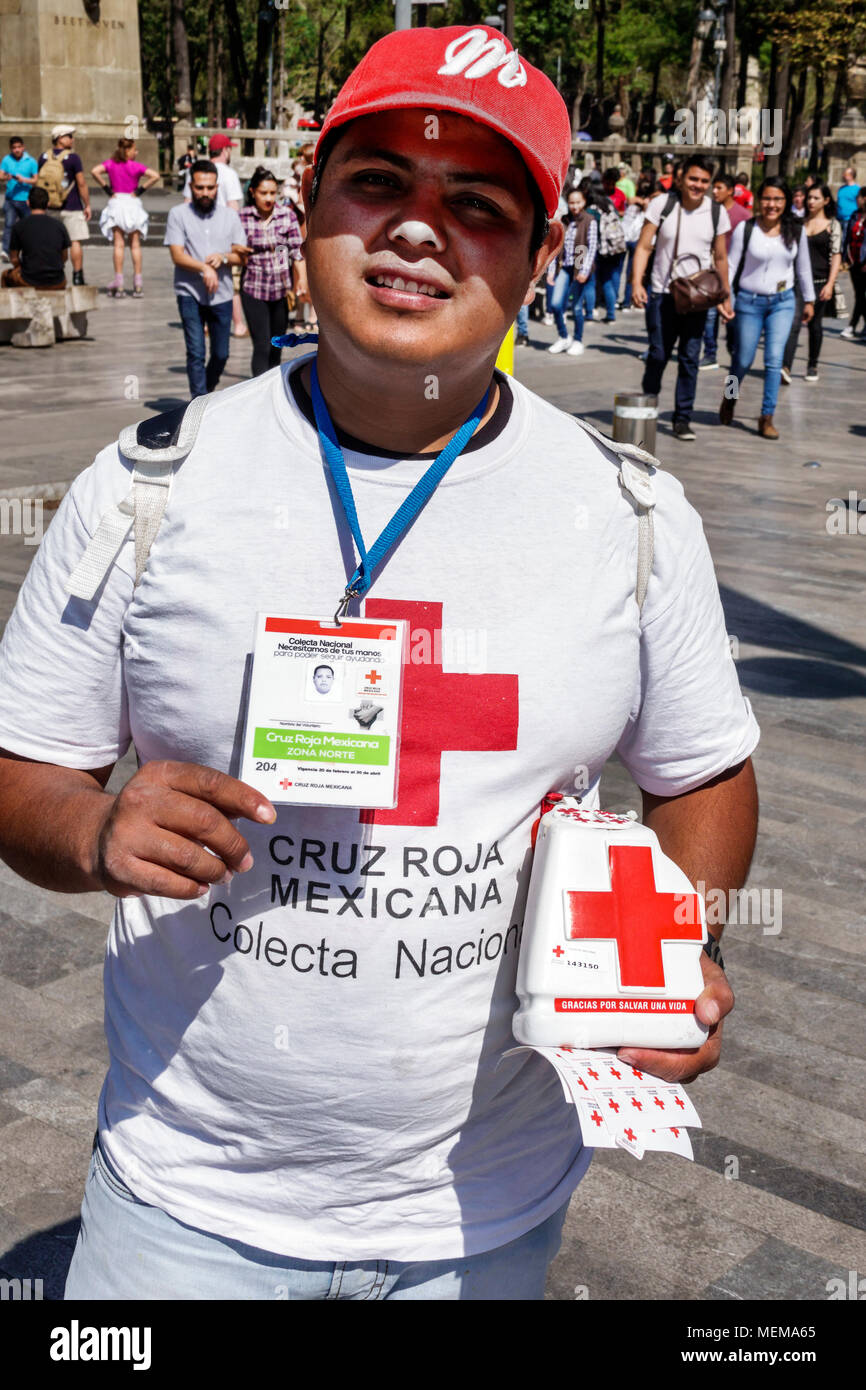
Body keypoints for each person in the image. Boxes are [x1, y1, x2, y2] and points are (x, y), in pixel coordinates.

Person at [0, 24, 757, 1303]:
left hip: (485, 1207)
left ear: (541, 256)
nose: (418, 228)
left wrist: (670, 940)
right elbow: (27, 772)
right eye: (377, 185)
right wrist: (93, 828)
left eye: (474, 203)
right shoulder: (146, 486)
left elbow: (702, 776)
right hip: (185, 1198)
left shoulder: (629, 513)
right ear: (306, 214)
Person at [631, 154, 733, 442]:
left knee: (690, 358)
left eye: (703, 181)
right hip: (663, 294)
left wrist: (726, 295)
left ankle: (682, 418)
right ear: (680, 178)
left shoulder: (716, 212)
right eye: (693, 179)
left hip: (697, 299)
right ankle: (648, 405)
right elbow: (643, 246)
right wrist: (636, 282)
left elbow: (721, 257)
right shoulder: (662, 204)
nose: (698, 185)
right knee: (658, 354)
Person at [721, 177, 814, 438]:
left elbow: (803, 267)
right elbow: (730, 266)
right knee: (742, 359)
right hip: (749, 302)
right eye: (767, 199)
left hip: (783, 303)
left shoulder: (796, 230)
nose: (772, 204)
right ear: (759, 200)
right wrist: (726, 298)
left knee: (774, 361)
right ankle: (729, 398)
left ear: (786, 202)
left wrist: (809, 300)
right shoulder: (746, 228)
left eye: (778, 199)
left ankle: (767, 416)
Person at [164, 160, 248, 398]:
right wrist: (203, 267)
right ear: (190, 186)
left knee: (221, 353)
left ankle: (206, 392)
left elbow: (241, 256)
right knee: (196, 352)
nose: (205, 193)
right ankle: (197, 403)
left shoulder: (230, 216)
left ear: (217, 187)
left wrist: (222, 258)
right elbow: (177, 255)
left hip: (221, 293)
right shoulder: (177, 214)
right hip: (189, 291)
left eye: (210, 188)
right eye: (200, 187)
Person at [239, 166, 306, 376]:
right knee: (262, 346)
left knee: (277, 346)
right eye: (263, 193)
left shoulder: (287, 216)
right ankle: (258, 390)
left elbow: (296, 251)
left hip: (280, 290)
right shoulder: (243, 217)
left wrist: (301, 279)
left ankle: (273, 390)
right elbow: (232, 247)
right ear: (253, 192)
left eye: (272, 193)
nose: (269, 198)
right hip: (253, 287)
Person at [183, 134, 247, 338]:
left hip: (198, 234)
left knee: (200, 279)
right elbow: (234, 207)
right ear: (225, 150)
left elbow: (186, 204)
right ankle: (237, 324)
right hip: (223, 238)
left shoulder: (195, 172)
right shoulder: (229, 174)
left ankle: (205, 324)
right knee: (231, 284)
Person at [781, 183, 842, 384]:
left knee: (815, 324)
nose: (811, 201)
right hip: (796, 281)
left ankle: (812, 363)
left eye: (816, 198)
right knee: (793, 324)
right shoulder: (799, 223)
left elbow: (836, 256)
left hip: (820, 281)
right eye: (809, 198)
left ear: (826, 200)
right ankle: (786, 366)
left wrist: (830, 283)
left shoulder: (832, 225)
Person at [91, 138, 160, 298]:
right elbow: (155, 176)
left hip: (117, 201)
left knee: (119, 244)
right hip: (132, 201)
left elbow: (94, 171)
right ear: (128, 151)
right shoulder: (136, 166)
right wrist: (139, 190)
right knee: (135, 245)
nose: (136, 153)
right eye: (134, 150)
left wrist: (107, 190)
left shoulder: (111, 164)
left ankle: (119, 282)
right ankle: (137, 282)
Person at [700, 171, 751, 370]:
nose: (715, 191)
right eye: (714, 187)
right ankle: (710, 353)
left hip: (734, 274)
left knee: (730, 316)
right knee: (709, 315)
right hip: (711, 271)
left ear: (731, 191)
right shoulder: (709, 211)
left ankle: (733, 347)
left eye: (719, 188)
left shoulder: (743, 216)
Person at [36, 125, 91, 285]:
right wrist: (87, 204)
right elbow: (81, 183)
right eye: (69, 136)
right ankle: (77, 276)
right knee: (75, 240)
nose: (72, 139)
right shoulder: (74, 158)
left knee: (55, 243)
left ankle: (56, 273)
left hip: (51, 206)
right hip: (71, 205)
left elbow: (39, 183)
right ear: (60, 138)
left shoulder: (44, 157)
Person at [547, 186, 597, 355]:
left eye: (578, 202)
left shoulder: (590, 220)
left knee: (576, 307)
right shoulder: (565, 220)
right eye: (571, 202)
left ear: (583, 202)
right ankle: (563, 336)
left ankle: (578, 340)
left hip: (580, 270)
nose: (574, 206)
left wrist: (585, 271)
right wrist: (552, 270)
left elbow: (591, 248)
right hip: (565, 267)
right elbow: (557, 246)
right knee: (555, 304)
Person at [0, 184, 68, 289]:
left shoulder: (19, 226)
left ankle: (14, 304)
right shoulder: (59, 225)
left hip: (29, 279)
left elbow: (14, 258)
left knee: (5, 275)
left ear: (28, 203)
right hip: (57, 281)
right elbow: (64, 257)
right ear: (48, 204)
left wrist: (22, 267)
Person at [619, 173, 655, 311]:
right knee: (632, 272)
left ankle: (626, 300)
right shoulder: (650, 206)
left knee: (625, 270)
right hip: (638, 239)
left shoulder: (631, 201)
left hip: (626, 237)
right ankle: (629, 301)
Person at [1, 136, 38, 261]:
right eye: (14, 148)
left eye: (19, 147)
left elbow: (36, 180)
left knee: (27, 227)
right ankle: (6, 251)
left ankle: (27, 251)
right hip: (10, 199)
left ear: (23, 147)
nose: (16, 150)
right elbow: (1, 176)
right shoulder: (7, 159)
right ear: (11, 149)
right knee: (9, 225)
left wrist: (24, 179)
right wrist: (7, 177)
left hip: (26, 199)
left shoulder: (31, 161)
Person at [840, 188, 866, 339]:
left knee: (861, 296)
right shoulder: (855, 215)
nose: (857, 199)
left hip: (864, 261)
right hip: (854, 260)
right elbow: (848, 236)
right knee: (859, 295)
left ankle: (851, 325)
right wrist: (845, 256)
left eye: (859, 197)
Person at [835, 166, 861, 237]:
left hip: (849, 220)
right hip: (838, 219)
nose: (843, 175)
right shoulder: (841, 188)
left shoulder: (857, 189)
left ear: (851, 176)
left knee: (845, 242)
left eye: (845, 174)